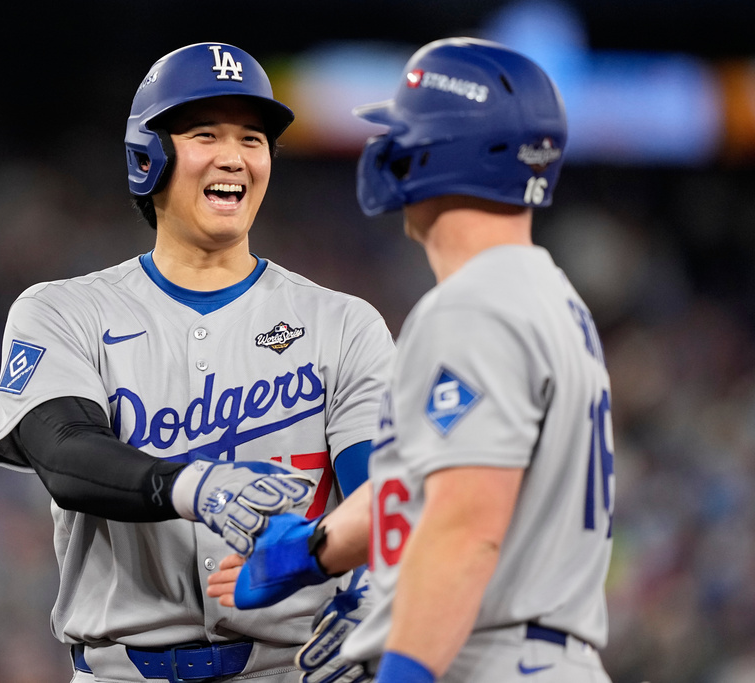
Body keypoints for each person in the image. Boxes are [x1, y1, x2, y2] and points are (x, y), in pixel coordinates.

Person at [208, 37, 615, 683]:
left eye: (403, 133)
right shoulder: (547, 299)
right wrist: (314, 549)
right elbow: (443, 483)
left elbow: (464, 526)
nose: (387, 150)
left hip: (486, 657)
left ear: (441, 150)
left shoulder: (474, 306)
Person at [0, 42, 395, 683]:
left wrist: (378, 585)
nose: (234, 156)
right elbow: (64, 450)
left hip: (292, 669)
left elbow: (383, 490)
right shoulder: (64, 310)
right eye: (206, 133)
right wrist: (192, 486)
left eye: (253, 138)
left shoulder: (342, 324)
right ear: (148, 156)